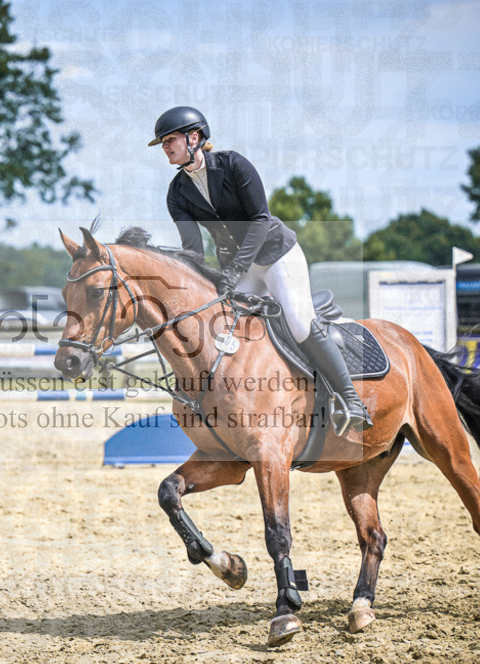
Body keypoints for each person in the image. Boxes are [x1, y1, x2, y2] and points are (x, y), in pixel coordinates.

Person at [150, 106, 372, 432]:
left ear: (194, 138)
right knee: (221, 327)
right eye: (163, 142)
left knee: (298, 323)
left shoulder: (234, 165)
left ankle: (351, 399)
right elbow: (193, 249)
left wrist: (235, 269)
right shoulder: (177, 192)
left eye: (170, 139)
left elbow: (260, 220)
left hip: (275, 254)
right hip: (238, 268)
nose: (166, 147)